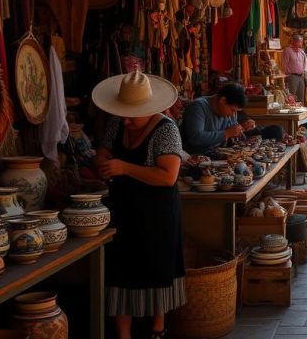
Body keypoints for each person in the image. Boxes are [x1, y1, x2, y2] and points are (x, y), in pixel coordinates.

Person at [91, 70, 185, 339]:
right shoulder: (117, 124)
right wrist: (102, 165)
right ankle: (124, 335)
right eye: (123, 113)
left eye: (132, 114)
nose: (127, 120)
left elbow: (168, 176)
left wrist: (124, 167)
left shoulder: (166, 130)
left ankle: (157, 328)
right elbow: (101, 154)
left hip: (157, 214)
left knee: (156, 268)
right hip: (122, 209)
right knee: (120, 272)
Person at [181, 84, 282, 155]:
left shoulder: (229, 112)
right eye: (232, 110)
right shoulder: (198, 107)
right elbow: (196, 138)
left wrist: (242, 128)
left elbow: (232, 131)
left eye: (236, 111)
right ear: (222, 100)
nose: (233, 114)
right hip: (195, 157)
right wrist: (227, 133)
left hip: (217, 153)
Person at [281, 34, 307, 104]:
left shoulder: (302, 52)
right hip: (292, 76)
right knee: (292, 97)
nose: (301, 43)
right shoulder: (287, 50)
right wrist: (287, 75)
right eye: (300, 41)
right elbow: (284, 63)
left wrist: (304, 70)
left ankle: (301, 112)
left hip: (301, 76)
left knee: (301, 96)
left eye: (301, 41)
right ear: (294, 41)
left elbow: (306, 62)